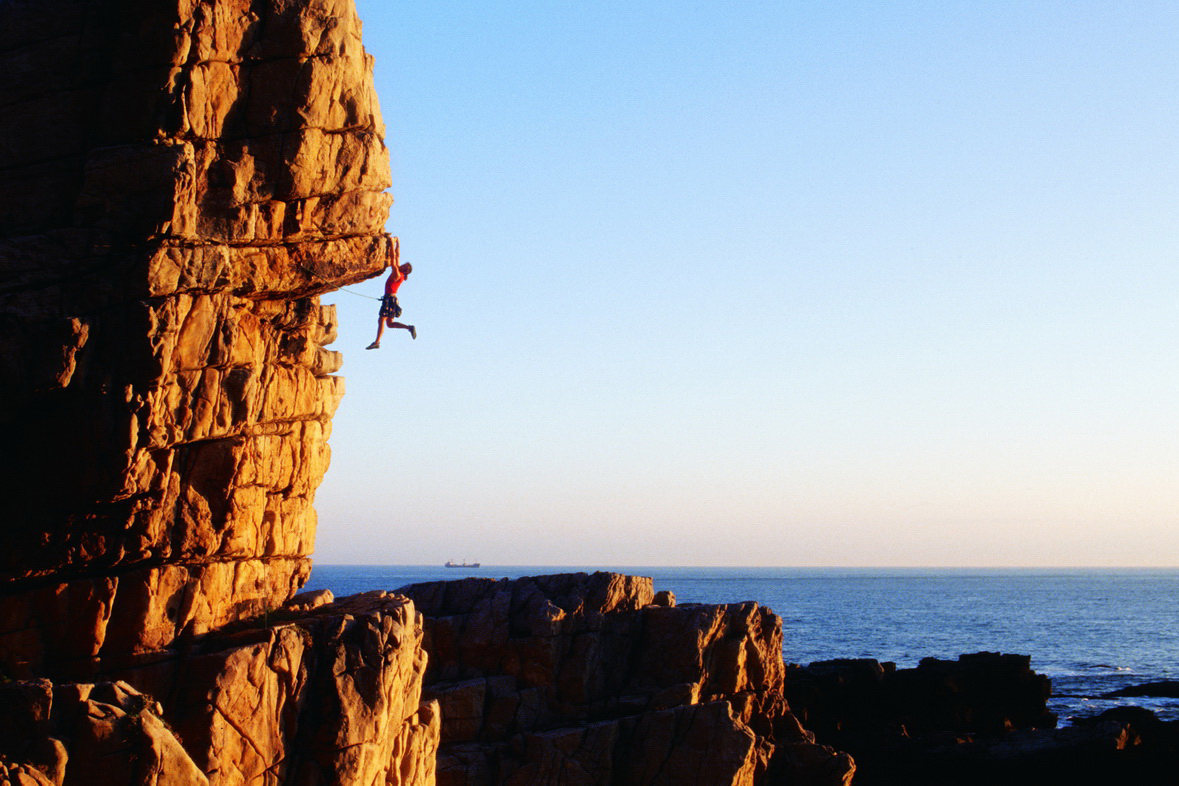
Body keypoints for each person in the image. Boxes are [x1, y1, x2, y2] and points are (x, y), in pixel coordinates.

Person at [366, 262, 416, 348]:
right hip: (391, 299)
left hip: (389, 299)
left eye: (404, 266)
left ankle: (377, 342)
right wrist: (397, 248)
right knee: (389, 324)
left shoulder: (398, 274)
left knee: (382, 319)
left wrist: (392, 248)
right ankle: (409, 328)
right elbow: (396, 258)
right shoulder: (401, 275)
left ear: (405, 270)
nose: (401, 265)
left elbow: (394, 262)